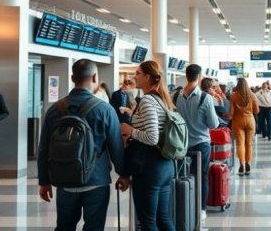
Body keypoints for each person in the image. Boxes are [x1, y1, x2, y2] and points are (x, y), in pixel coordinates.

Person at [37, 59, 130, 230]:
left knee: (64, 226)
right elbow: (116, 146)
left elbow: (44, 148)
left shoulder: (55, 109)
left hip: (65, 180)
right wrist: (123, 174)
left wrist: (44, 181)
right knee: (94, 227)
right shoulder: (105, 110)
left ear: (72, 77)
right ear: (95, 77)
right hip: (96, 180)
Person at [119, 60, 176, 230]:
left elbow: (152, 137)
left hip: (149, 167)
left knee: (148, 222)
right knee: (163, 219)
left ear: (148, 77)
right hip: (164, 165)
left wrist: (129, 130)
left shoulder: (148, 101)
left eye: (137, 73)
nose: (133, 76)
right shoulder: (162, 100)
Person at [175, 64, 219, 221]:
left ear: (186, 76)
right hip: (201, 144)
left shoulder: (176, 96)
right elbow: (214, 124)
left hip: (181, 144)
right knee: (202, 176)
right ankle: (201, 209)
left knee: (181, 176)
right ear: (200, 77)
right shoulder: (205, 98)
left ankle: (182, 206)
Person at [228, 78, 260, 176]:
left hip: (238, 121)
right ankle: (248, 164)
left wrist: (228, 116)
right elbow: (257, 111)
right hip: (250, 120)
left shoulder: (234, 96)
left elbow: (231, 114)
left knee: (240, 144)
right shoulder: (252, 95)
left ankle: (242, 165)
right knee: (249, 144)